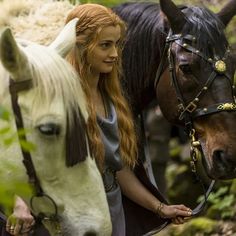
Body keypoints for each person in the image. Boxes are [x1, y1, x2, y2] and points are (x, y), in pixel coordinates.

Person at [65, 3, 192, 235]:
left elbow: (118, 171)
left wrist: (161, 208)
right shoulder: (61, 100)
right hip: (74, 218)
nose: (114, 54)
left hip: (113, 216)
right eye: (105, 45)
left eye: (117, 44)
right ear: (80, 45)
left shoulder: (113, 100)